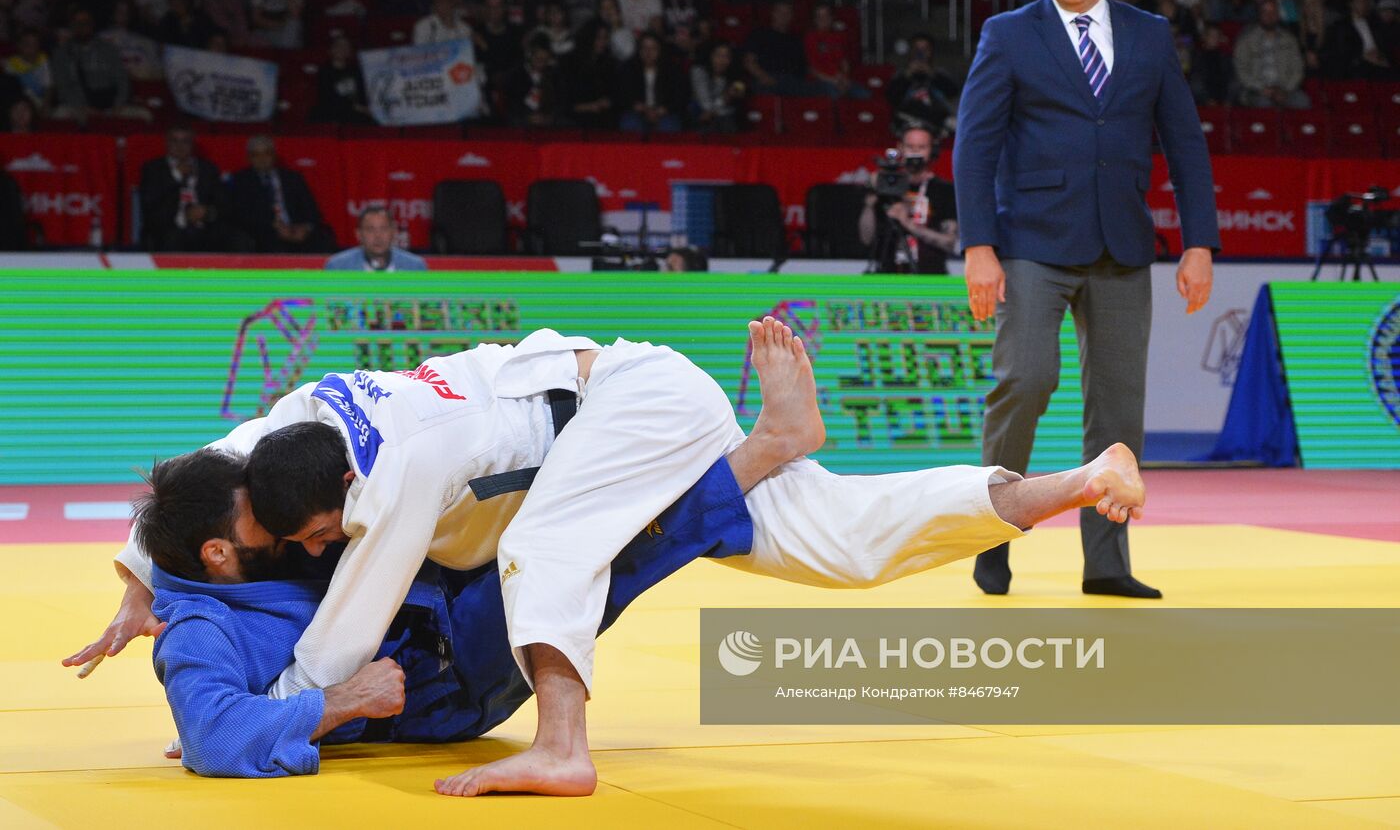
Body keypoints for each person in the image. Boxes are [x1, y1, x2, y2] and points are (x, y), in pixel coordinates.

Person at [68, 317, 1147, 798]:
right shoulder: (296, 424)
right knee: (838, 544)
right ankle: (1072, 480)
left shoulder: (388, 482)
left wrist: (285, 709)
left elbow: (343, 638)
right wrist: (137, 584)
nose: (304, 551)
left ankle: (562, 746)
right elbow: (200, 475)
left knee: (548, 545)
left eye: (304, 537)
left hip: (622, 407)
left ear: (338, 494)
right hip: (614, 418)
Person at [136, 448, 758, 778]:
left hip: (437, 604)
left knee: (556, 514)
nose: (279, 524)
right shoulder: (198, 630)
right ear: (216, 554)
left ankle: (724, 465)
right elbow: (212, 738)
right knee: (587, 555)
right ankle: (753, 459)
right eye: (261, 520)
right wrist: (345, 700)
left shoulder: (231, 566)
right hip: (444, 683)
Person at [953, 0, 1218, 600]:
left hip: (1123, 245)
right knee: (1028, 379)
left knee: (1118, 410)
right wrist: (978, 245)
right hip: (1032, 242)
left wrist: (1199, 243)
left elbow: (1186, 143)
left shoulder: (1150, 36)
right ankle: (993, 532)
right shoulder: (1008, 35)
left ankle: (1106, 563)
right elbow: (974, 146)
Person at [859, 122, 958, 274]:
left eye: (921, 147)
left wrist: (908, 223)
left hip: (931, 278)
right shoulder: (885, 185)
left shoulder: (944, 190)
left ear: (932, 150)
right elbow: (866, 239)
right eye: (910, 147)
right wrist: (869, 204)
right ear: (900, 148)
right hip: (887, 278)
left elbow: (950, 243)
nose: (915, 153)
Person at [137, 124, 247, 252]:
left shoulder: (207, 169)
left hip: (205, 228)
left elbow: (224, 204)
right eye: (175, 141)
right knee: (173, 238)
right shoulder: (153, 169)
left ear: (192, 144)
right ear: (167, 143)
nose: (180, 146)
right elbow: (151, 207)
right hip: (170, 228)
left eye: (185, 141)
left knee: (239, 239)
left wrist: (206, 212)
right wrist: (177, 177)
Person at [229, 136, 337, 253]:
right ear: (249, 158)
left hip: (297, 229)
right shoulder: (241, 181)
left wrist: (305, 228)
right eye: (256, 155)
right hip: (265, 231)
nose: (262, 158)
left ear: (274, 155)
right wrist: (275, 228)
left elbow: (311, 209)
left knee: (323, 239)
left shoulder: (293, 178)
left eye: (267, 153)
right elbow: (242, 215)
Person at [49, 8, 152, 126]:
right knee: (59, 114)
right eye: (78, 23)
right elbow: (62, 88)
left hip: (111, 106)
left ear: (92, 25)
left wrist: (118, 105)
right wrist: (82, 107)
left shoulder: (108, 49)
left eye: (86, 23)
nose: (82, 26)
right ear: (72, 26)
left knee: (145, 115)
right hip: (78, 106)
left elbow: (122, 80)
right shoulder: (61, 54)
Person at [1233, 0, 1310, 108]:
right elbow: (1241, 71)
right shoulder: (1246, 40)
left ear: (1278, 15)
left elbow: (1298, 69)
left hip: (1285, 89)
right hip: (1256, 90)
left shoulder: (1289, 40)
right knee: (1264, 104)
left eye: (1273, 12)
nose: (1270, 16)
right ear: (1259, 14)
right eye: (1265, 12)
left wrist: (1285, 90)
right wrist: (1261, 88)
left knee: (1302, 101)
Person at [886, 32, 959, 132]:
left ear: (931, 51)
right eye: (916, 49)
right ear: (911, 51)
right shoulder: (900, 74)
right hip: (908, 121)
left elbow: (953, 93)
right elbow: (891, 98)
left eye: (925, 49)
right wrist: (908, 74)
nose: (920, 53)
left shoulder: (941, 73)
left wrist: (931, 73)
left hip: (937, 121)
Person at [618, 32, 687, 133]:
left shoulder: (672, 69)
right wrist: (638, 107)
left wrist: (663, 110)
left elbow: (680, 96)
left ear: (660, 50)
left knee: (669, 127)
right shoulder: (628, 69)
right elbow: (621, 95)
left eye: (653, 48)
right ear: (639, 50)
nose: (648, 52)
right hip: (637, 112)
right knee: (630, 124)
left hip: (665, 112)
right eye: (644, 48)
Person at [742, 1, 813, 97]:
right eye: (780, 12)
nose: (783, 16)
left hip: (791, 81)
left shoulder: (796, 39)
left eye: (787, 13)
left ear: (791, 16)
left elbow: (803, 68)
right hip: (766, 77)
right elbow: (749, 62)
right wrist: (764, 77)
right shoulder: (759, 34)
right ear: (773, 13)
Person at [324, 205, 426, 271]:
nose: (378, 236)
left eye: (384, 228)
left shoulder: (415, 266)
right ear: (359, 234)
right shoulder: (338, 266)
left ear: (394, 232)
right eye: (370, 229)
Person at [1322, 0, 1395, 79]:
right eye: (1359, 1)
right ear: (1351, 4)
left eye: (1365, 0)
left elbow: (1385, 44)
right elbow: (1342, 51)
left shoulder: (1375, 23)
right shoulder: (1342, 26)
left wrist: (1381, 56)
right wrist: (1363, 57)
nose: (1363, 4)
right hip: (1358, 65)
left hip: (1379, 60)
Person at [309, 35, 371, 124]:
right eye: (339, 46)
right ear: (331, 50)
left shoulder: (356, 72)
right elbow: (327, 98)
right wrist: (357, 107)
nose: (343, 49)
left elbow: (363, 94)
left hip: (356, 115)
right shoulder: (324, 72)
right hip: (333, 113)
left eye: (346, 46)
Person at [690, 40, 745, 133]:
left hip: (725, 117)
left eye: (727, 56)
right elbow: (706, 104)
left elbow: (737, 96)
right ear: (710, 56)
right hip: (698, 113)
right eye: (718, 55)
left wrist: (731, 96)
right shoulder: (698, 71)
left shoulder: (736, 76)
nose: (722, 60)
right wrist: (726, 97)